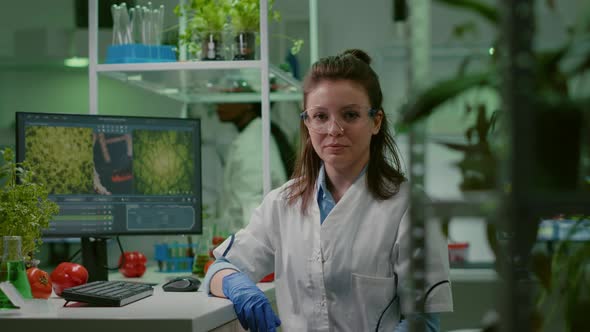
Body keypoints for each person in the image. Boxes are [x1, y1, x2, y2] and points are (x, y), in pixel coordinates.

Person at [203, 49, 453, 331]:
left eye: (350, 115)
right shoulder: (282, 203)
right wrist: (237, 286)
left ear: (376, 121)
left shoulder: (411, 206)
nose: (334, 129)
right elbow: (220, 268)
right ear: (307, 123)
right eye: (320, 116)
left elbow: (424, 321)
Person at [215, 98, 295, 235]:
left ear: (248, 103)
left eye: (227, 95)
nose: (218, 102)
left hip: (252, 243)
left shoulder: (253, 144)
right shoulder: (253, 136)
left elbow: (253, 207)